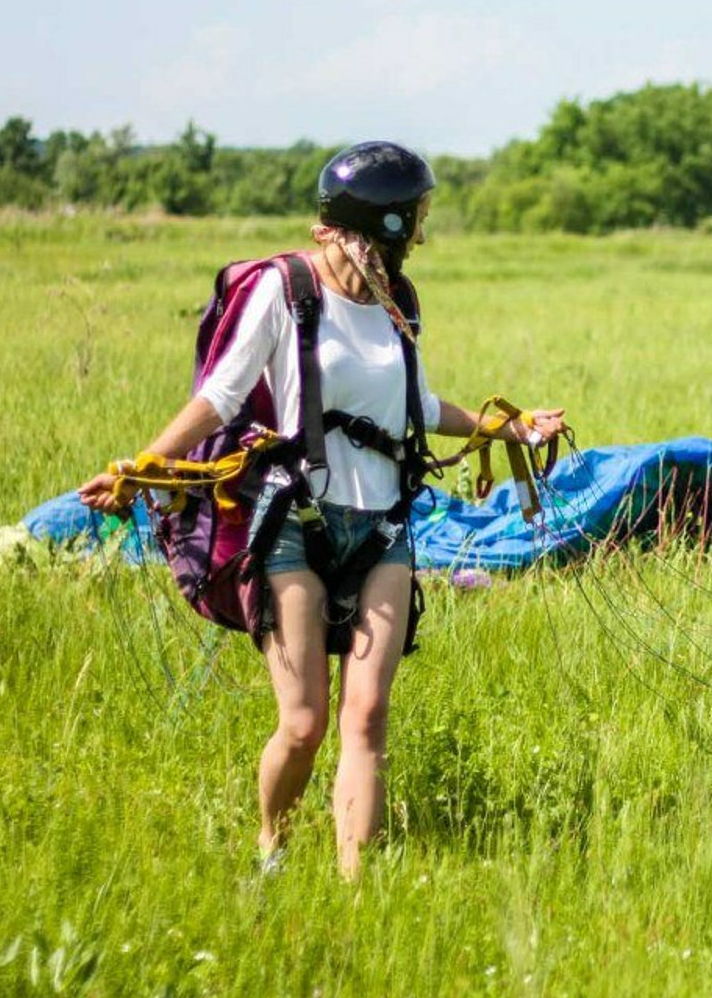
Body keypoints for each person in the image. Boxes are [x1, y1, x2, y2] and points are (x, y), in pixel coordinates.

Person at [77, 141, 565, 877]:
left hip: (383, 529)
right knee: (303, 722)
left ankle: (355, 889)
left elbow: (420, 404)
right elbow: (220, 397)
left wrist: (512, 426)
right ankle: (271, 842)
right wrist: (141, 468)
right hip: (294, 523)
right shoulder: (285, 290)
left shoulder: (399, 303)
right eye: (418, 219)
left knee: (366, 716)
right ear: (387, 222)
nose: (424, 237)